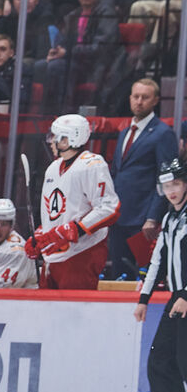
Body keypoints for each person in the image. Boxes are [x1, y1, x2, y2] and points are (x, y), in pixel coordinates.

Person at [24, 114, 121, 289]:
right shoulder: (53, 168)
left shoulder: (92, 164)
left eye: (54, 137)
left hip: (80, 256)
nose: (50, 141)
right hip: (52, 259)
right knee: (46, 314)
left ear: (67, 140)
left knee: (73, 314)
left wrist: (74, 229)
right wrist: (41, 237)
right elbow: (54, 214)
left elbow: (109, 208)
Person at [134, 158, 187, 392]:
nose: (171, 191)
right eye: (166, 186)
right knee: (160, 361)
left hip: (185, 298)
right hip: (176, 301)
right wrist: (144, 298)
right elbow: (158, 260)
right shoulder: (170, 219)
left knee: (183, 362)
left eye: (176, 184)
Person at [110, 79, 178, 280]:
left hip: (142, 220)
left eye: (145, 97)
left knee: (139, 277)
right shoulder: (124, 132)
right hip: (118, 215)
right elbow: (117, 172)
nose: (139, 102)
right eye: (136, 96)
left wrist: (153, 217)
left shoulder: (163, 133)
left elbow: (166, 178)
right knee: (117, 275)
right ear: (130, 98)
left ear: (155, 100)